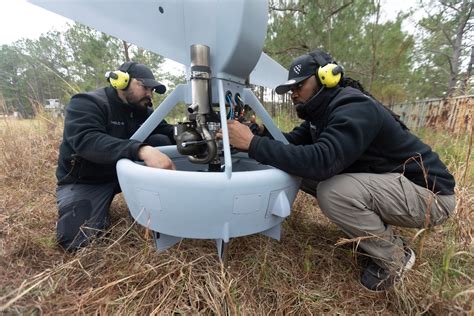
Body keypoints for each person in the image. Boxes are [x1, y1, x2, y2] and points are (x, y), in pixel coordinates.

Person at [221, 49, 456, 291]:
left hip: (431, 197)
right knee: (295, 168)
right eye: (290, 89)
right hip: (398, 187)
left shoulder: (354, 107)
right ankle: (374, 237)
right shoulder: (322, 114)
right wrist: (259, 133)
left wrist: (252, 144)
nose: (293, 93)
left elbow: (322, 162)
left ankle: (395, 257)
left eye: (299, 85)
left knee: (333, 191)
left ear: (327, 77)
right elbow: (289, 143)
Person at [56, 61, 176, 252]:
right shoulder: (87, 103)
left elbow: (165, 129)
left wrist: (186, 133)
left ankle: (154, 207)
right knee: (77, 241)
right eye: (145, 87)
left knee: (160, 139)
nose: (149, 94)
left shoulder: (141, 109)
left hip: (125, 176)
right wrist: (141, 150)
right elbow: (88, 141)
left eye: (152, 90)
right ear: (121, 82)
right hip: (89, 181)